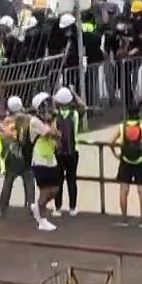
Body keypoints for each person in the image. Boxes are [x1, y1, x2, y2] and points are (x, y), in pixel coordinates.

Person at [110, 97, 142, 227]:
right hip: (140, 161)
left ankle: (124, 219)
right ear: (138, 114)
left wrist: (116, 154)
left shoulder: (122, 127)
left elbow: (111, 142)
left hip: (125, 160)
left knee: (124, 190)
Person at [0, 96, 36, 218]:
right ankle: (31, 207)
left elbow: (3, 140)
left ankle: (2, 207)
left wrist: (3, 154)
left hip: (12, 156)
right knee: (29, 183)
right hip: (26, 155)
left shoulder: (6, 122)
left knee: (8, 182)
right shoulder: (29, 119)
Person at [28, 92, 60, 232]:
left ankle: (38, 206)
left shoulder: (48, 122)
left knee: (55, 190)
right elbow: (51, 133)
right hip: (40, 160)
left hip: (51, 159)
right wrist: (54, 125)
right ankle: (42, 220)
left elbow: (59, 140)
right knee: (45, 191)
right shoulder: (35, 122)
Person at [52, 87, 82, 218]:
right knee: (72, 180)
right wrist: (74, 93)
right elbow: (83, 105)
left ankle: (58, 208)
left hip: (58, 152)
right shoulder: (75, 114)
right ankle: (72, 208)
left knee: (58, 181)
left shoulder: (54, 115)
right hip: (73, 151)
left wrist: (55, 99)